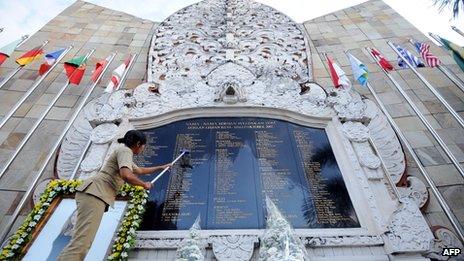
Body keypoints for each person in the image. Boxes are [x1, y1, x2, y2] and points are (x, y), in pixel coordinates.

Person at [58, 130, 171, 260]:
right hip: (95, 193)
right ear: (139, 143)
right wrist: (143, 185)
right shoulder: (125, 151)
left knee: (83, 242)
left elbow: (139, 170)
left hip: (95, 194)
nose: (144, 149)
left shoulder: (124, 152)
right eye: (144, 146)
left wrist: (161, 167)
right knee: (82, 243)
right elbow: (126, 175)